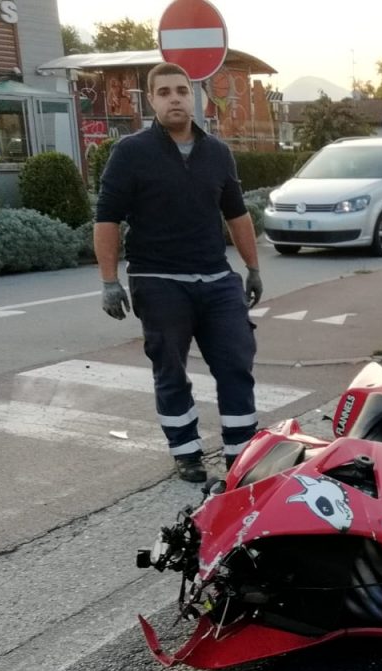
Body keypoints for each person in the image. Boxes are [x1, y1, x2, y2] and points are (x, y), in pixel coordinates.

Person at [95, 61, 264, 483]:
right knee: (170, 368)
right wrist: (109, 281)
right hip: (159, 280)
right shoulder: (131, 152)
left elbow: (237, 214)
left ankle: (240, 455)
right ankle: (186, 451)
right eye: (165, 91)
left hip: (215, 277)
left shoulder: (218, 152)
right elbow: (107, 218)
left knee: (236, 362)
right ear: (151, 100)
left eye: (182, 91)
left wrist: (253, 268)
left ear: (195, 97)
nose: (175, 98)